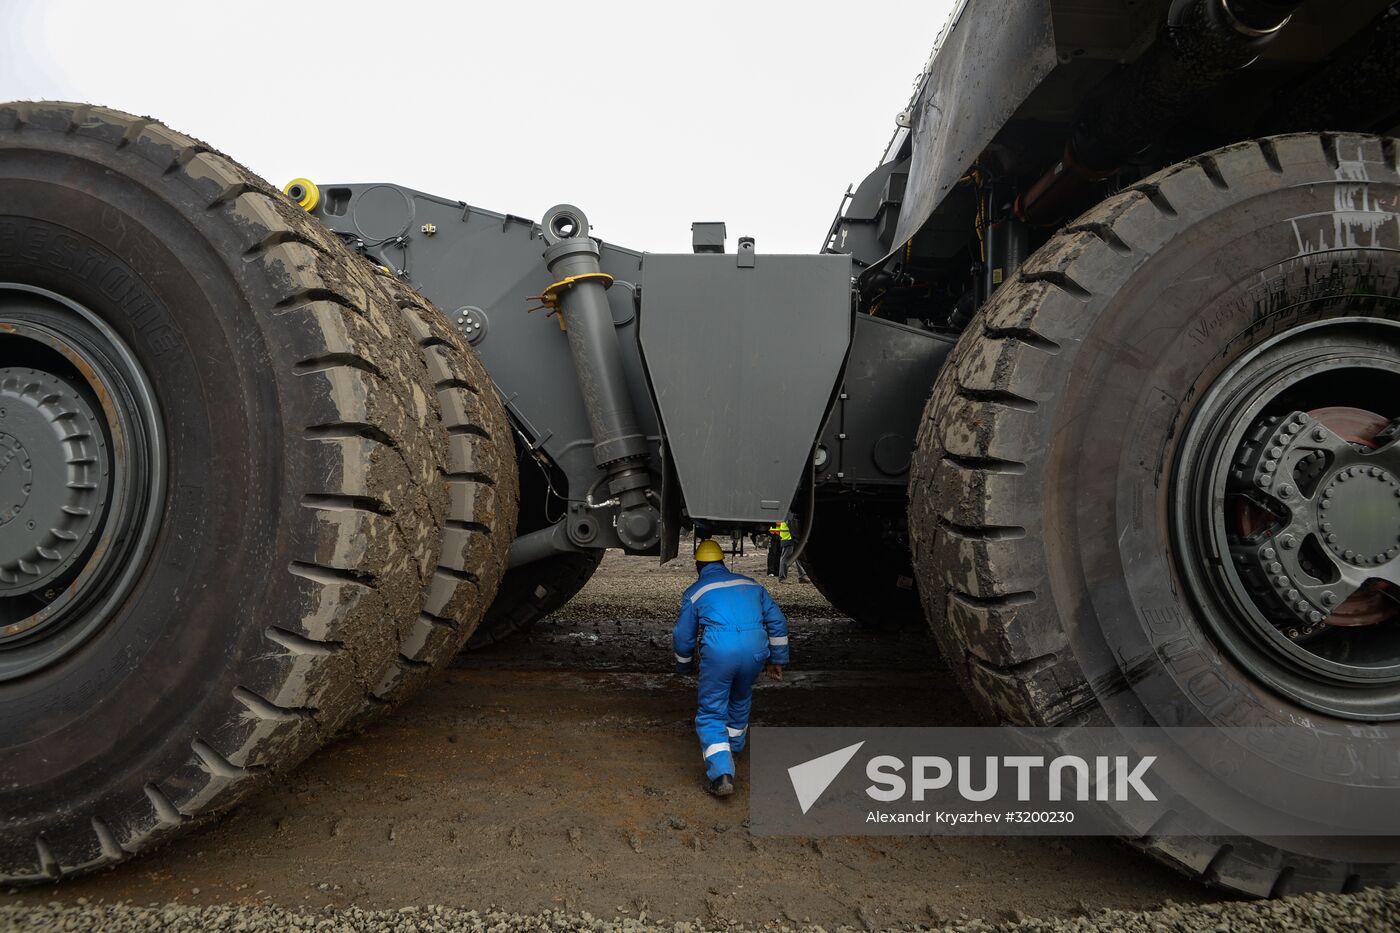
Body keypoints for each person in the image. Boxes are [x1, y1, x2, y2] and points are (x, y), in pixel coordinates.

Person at [672, 539, 790, 796]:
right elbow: (778, 623)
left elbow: (683, 637)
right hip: (756, 651)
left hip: (721, 652)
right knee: (740, 696)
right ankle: (734, 745)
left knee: (712, 711)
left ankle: (721, 774)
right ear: (722, 562)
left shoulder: (696, 591)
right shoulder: (751, 585)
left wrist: (684, 666)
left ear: (699, 565)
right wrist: (777, 660)